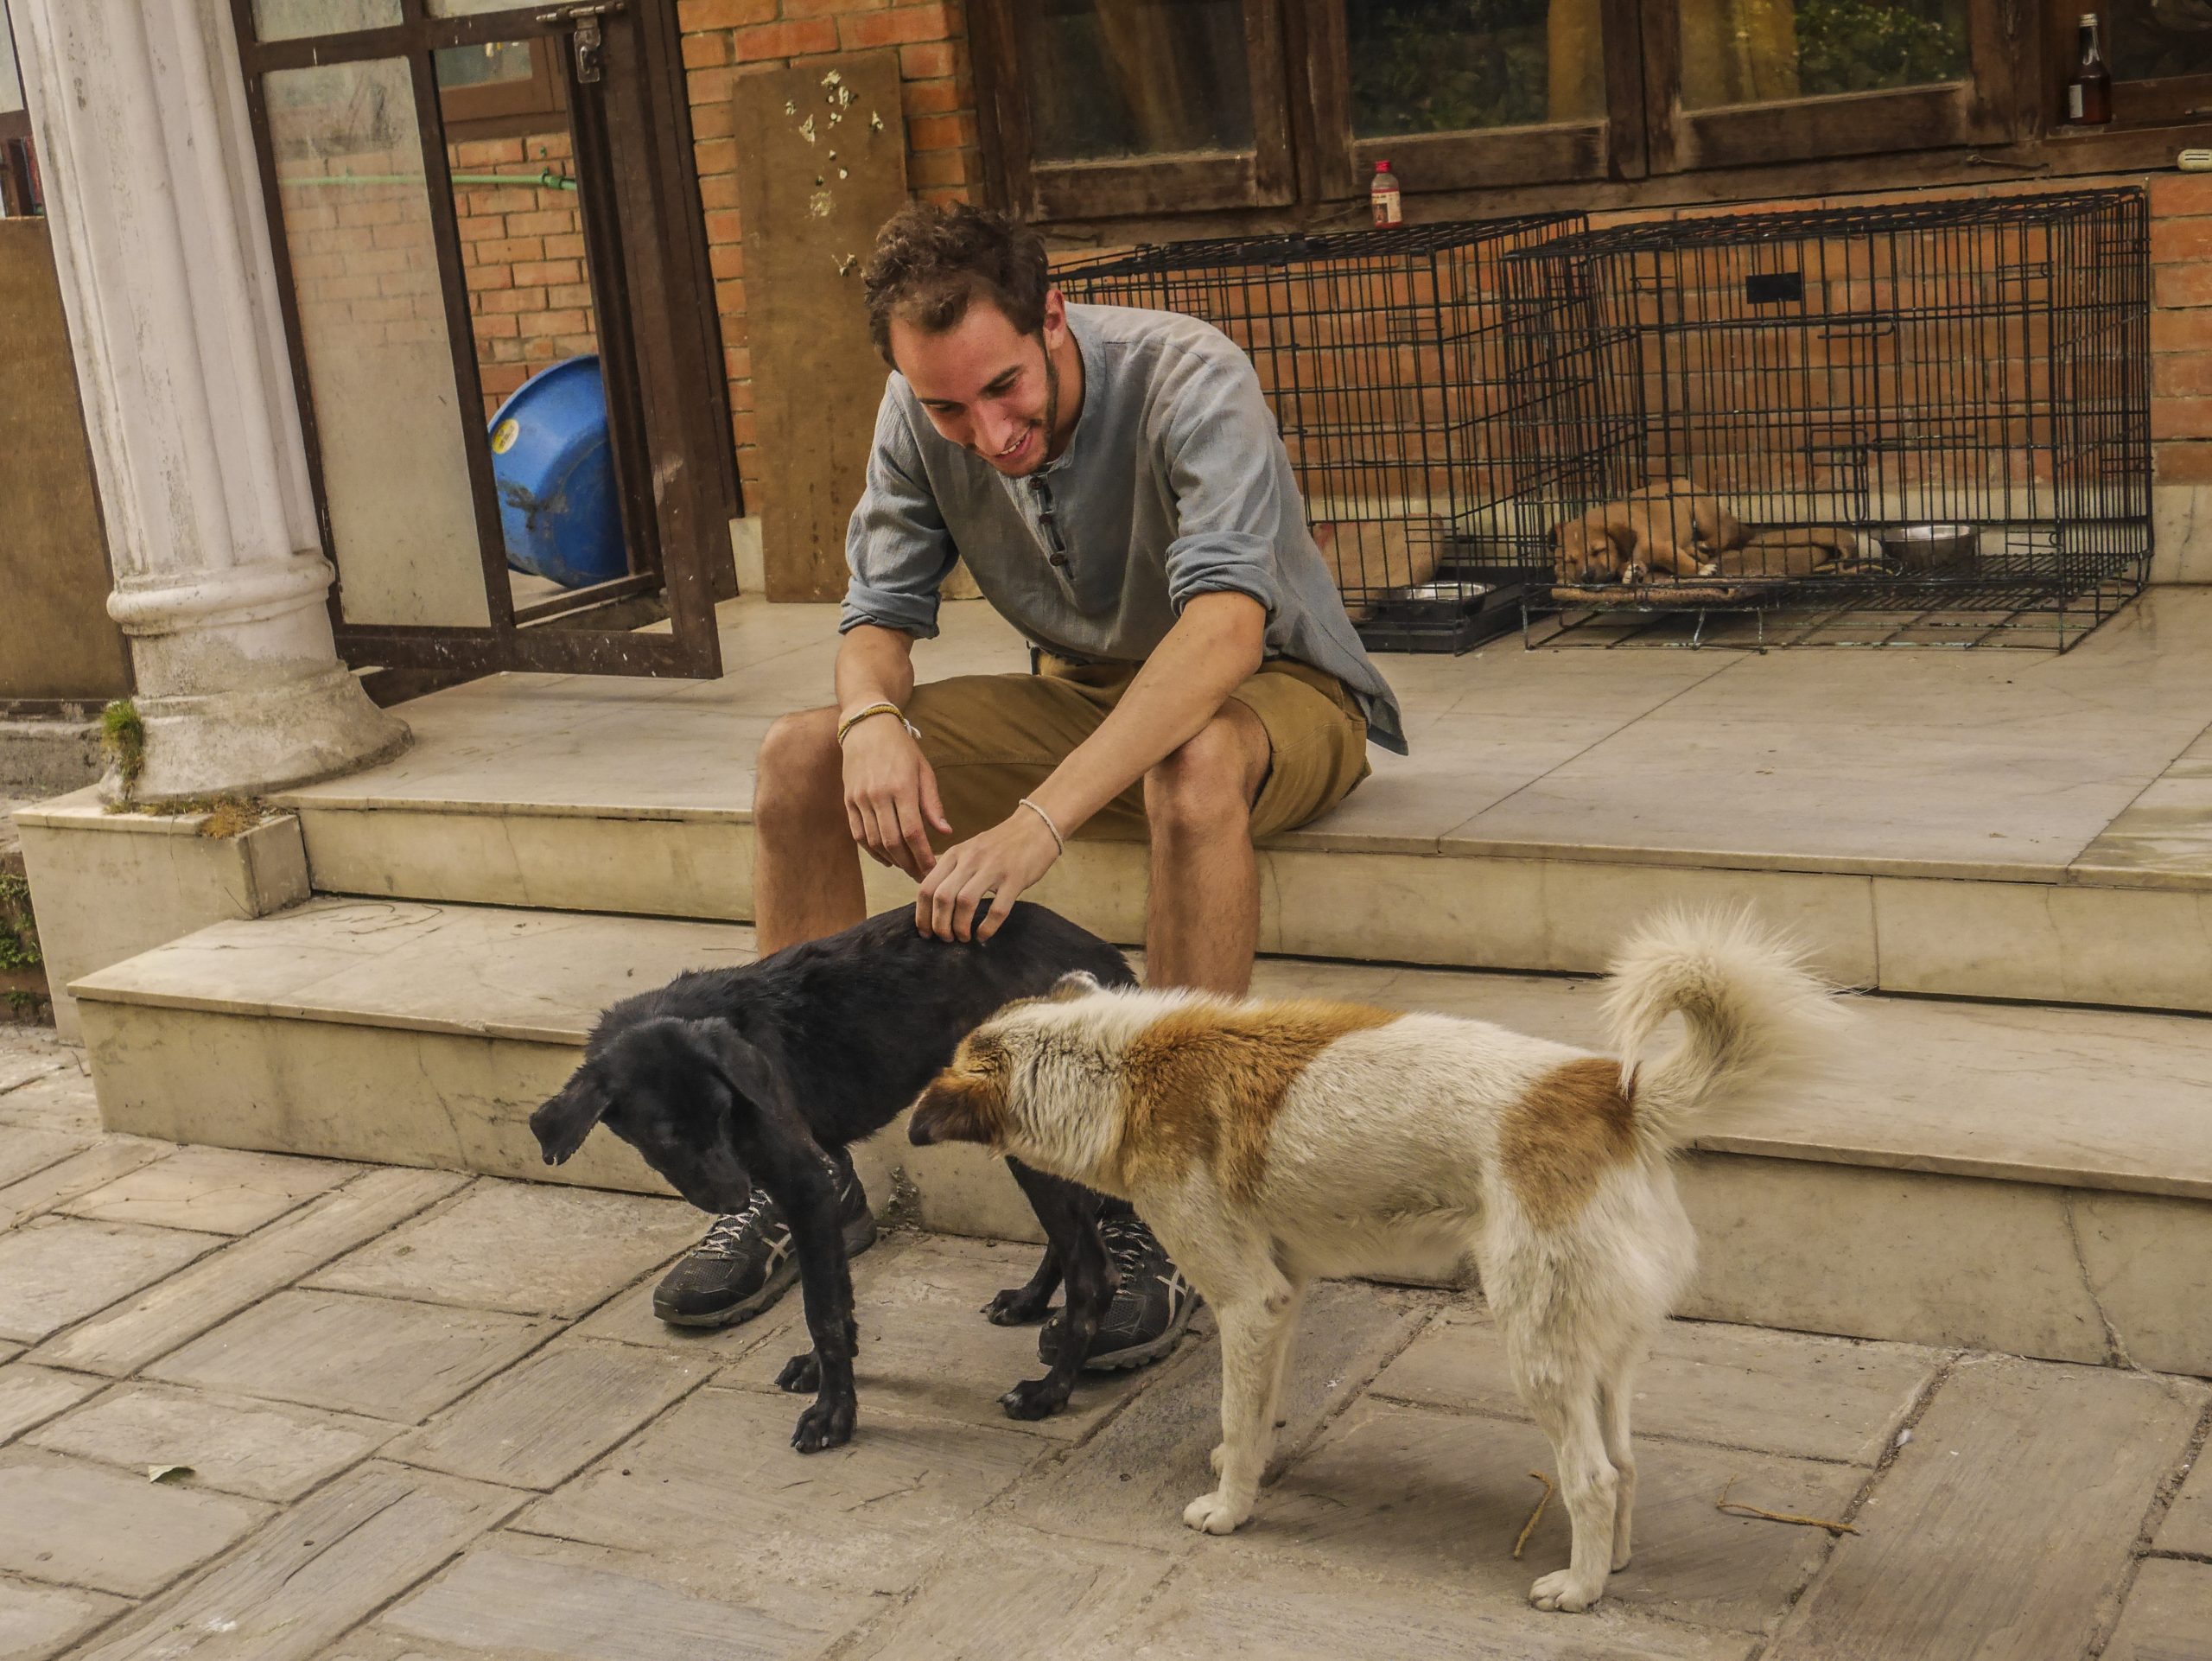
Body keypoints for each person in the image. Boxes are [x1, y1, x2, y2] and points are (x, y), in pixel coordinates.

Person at [653, 201, 1407, 1373]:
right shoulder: (919, 408)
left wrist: (1037, 823)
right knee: (798, 756)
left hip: (1278, 692)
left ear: (1053, 314)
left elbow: (1220, 632)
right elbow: (876, 619)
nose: (988, 430)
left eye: (1003, 388)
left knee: (1190, 762)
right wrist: (870, 719)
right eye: (951, 406)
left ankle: (1175, 1190)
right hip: (1085, 695)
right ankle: (799, 1165)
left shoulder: (1190, 375)